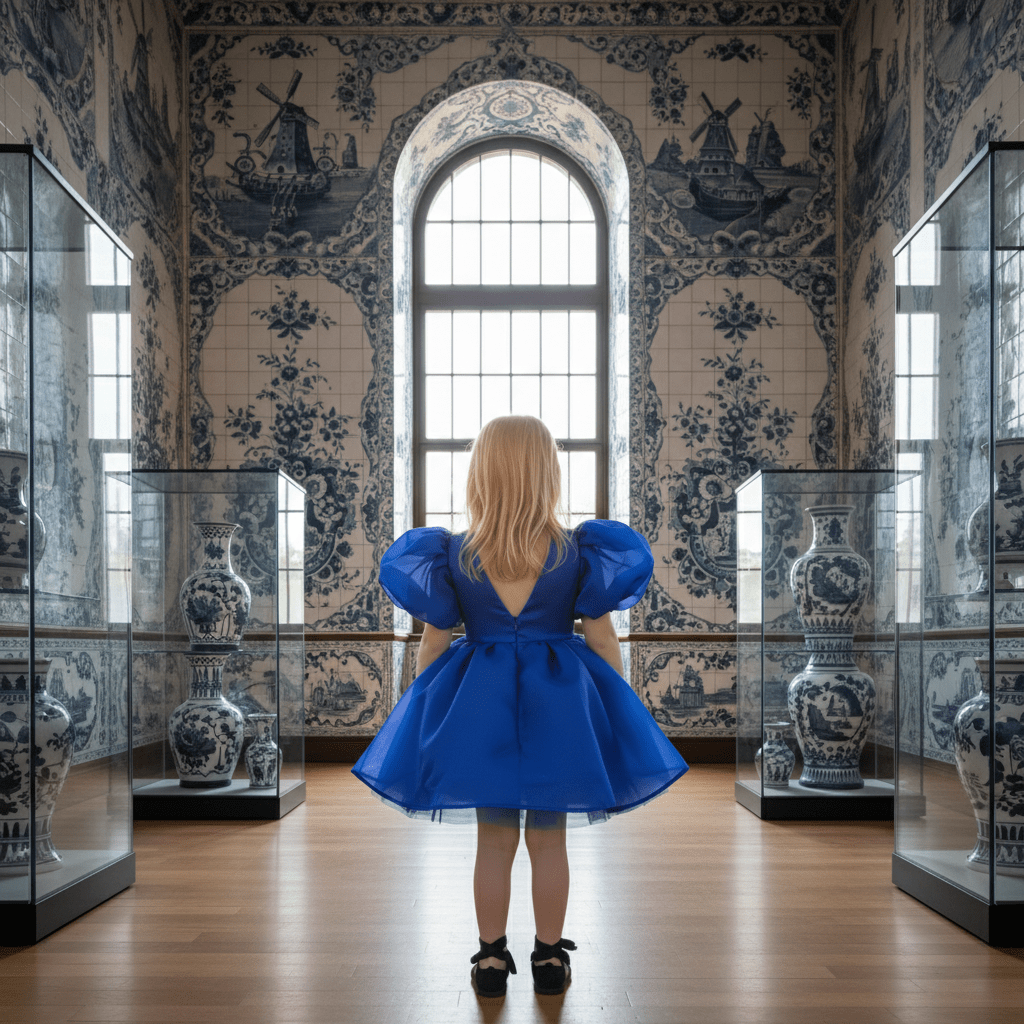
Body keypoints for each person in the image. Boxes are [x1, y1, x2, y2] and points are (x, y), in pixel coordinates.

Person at [352, 416, 688, 998]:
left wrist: (426, 709)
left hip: (478, 701)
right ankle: (550, 957)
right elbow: (602, 639)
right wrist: (615, 703)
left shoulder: (455, 554)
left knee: (495, 838)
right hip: (559, 701)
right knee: (549, 839)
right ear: (546, 472)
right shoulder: (577, 551)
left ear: (481, 473)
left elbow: (433, 642)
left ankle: (489, 959)